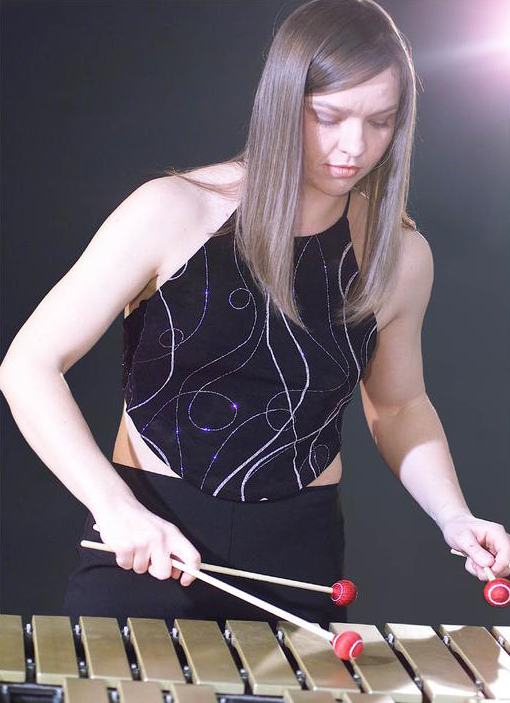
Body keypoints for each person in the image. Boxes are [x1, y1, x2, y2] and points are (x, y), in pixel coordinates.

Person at [1, 0, 509, 632]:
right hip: (149, 535)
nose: (355, 146)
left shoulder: (400, 258)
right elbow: (28, 366)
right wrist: (115, 507)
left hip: (301, 554)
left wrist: (454, 516)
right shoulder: (172, 211)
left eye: (380, 121)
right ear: (282, 102)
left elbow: (400, 406)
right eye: (329, 117)